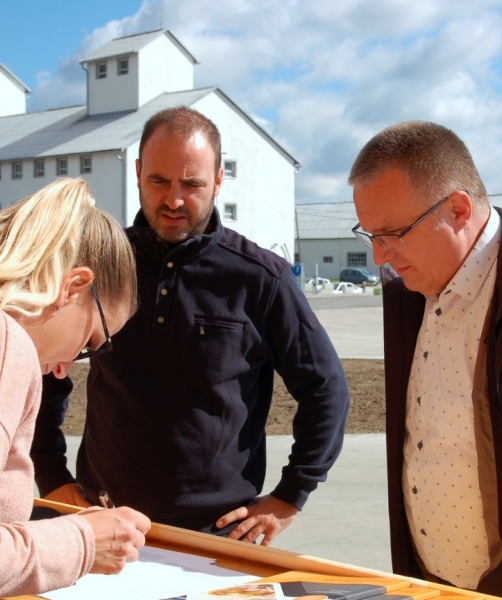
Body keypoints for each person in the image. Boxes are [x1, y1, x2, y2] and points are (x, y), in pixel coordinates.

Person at [32, 106, 349, 546]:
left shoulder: (261, 278)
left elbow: (325, 388)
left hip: (217, 533)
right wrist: (50, 474)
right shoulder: (99, 263)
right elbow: (43, 368)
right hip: (101, 521)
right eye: (159, 181)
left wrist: (290, 496)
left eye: (192, 184)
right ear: (138, 172)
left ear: (219, 180)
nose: (174, 200)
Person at [348, 121, 502, 599]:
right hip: (427, 584)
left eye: (392, 234)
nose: (379, 256)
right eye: (368, 234)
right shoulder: (410, 293)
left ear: (459, 209)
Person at [0, 178, 151, 597]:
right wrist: (83, 541)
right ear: (73, 286)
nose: (64, 369)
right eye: (89, 343)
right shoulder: (8, 344)